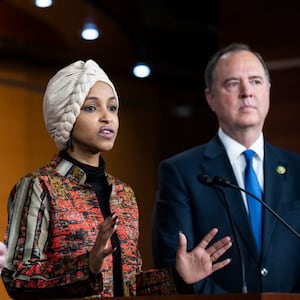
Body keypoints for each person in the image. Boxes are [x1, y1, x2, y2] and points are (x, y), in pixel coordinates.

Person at [1, 59, 232, 299]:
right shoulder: (39, 186)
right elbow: (18, 277)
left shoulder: (123, 193)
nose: (107, 117)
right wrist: (87, 266)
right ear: (65, 117)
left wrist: (177, 278)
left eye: (112, 108)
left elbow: (129, 285)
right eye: (91, 108)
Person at [152, 42, 300, 294]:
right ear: (210, 98)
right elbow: (172, 266)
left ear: (268, 91)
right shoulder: (180, 172)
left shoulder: (297, 169)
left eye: (255, 81)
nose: (246, 92)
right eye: (232, 83)